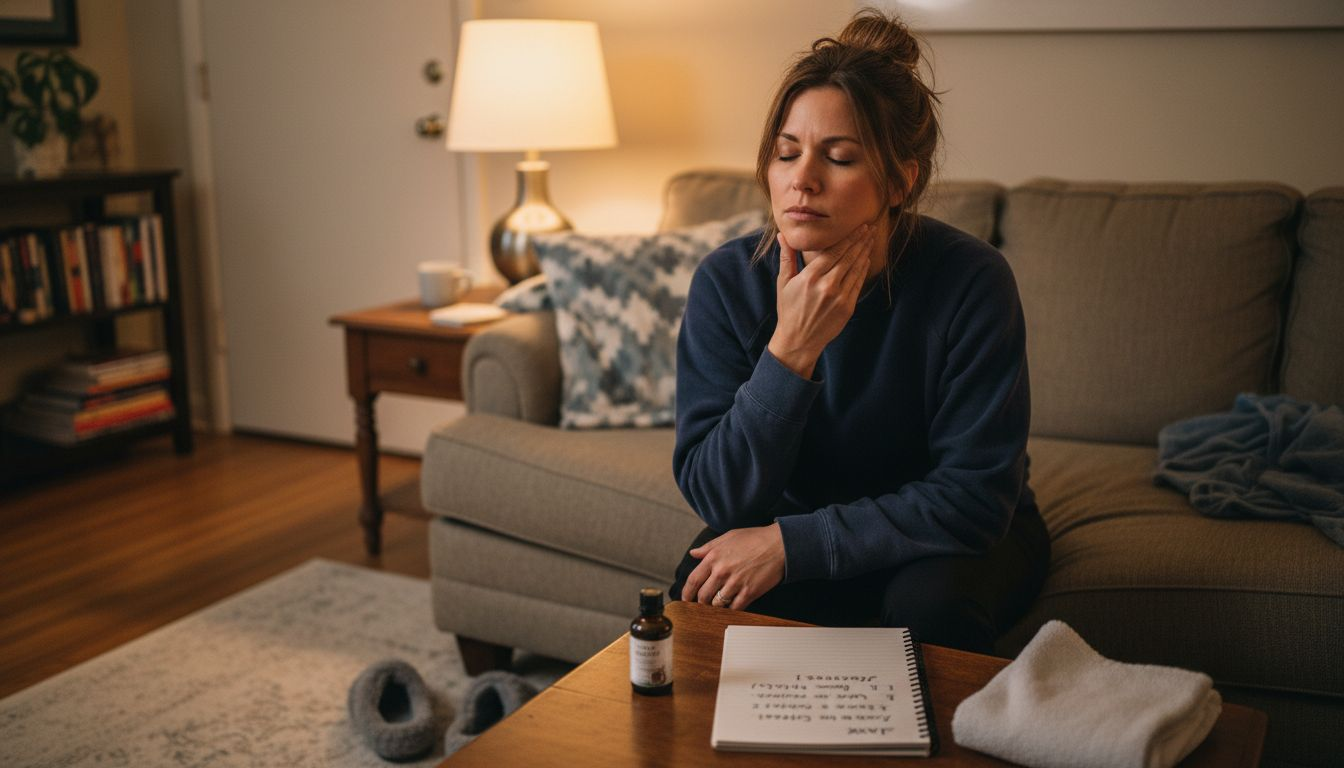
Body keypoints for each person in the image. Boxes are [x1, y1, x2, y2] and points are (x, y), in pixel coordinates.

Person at [668, 9, 1050, 655]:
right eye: (786, 153)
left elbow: (975, 499)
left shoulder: (970, 280)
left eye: (839, 157)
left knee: (928, 610)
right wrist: (791, 352)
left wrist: (795, 546)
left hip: (945, 539)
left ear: (902, 179)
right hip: (797, 521)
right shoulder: (729, 282)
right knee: (700, 593)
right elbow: (718, 494)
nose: (802, 179)